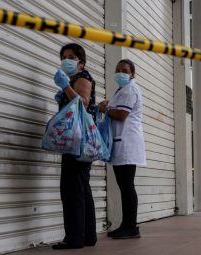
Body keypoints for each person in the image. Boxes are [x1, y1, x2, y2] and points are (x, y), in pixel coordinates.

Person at [52, 43, 97, 249]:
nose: (66, 60)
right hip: (79, 140)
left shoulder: (82, 78)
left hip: (76, 141)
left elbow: (83, 103)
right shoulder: (76, 79)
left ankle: (74, 238)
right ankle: (87, 235)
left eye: (71, 56)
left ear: (81, 62)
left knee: (71, 189)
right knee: (81, 188)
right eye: (63, 56)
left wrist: (65, 88)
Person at [98, 59, 146, 239]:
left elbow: (121, 114)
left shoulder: (130, 89)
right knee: (124, 186)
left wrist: (106, 107)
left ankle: (131, 227)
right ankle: (126, 225)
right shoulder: (123, 90)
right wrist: (110, 105)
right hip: (122, 142)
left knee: (127, 186)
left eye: (124, 70)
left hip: (127, 143)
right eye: (117, 70)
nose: (120, 73)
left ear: (132, 74)